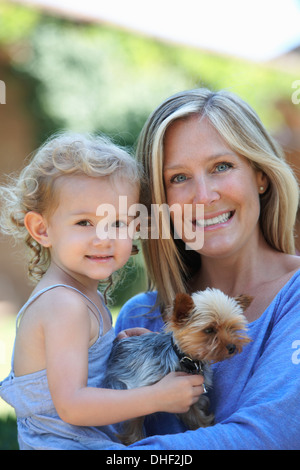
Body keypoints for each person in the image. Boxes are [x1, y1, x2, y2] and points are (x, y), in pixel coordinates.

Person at [114, 88, 300, 450]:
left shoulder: (294, 299)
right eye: (178, 178)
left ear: (260, 175)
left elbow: (267, 437)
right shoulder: (141, 317)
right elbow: (75, 429)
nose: (203, 196)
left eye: (221, 167)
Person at [0, 132, 204, 450]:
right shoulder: (64, 304)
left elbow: (78, 370)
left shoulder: (80, 295)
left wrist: (111, 350)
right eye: (84, 222)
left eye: (119, 223)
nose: (104, 238)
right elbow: (72, 406)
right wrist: (156, 397)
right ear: (42, 229)